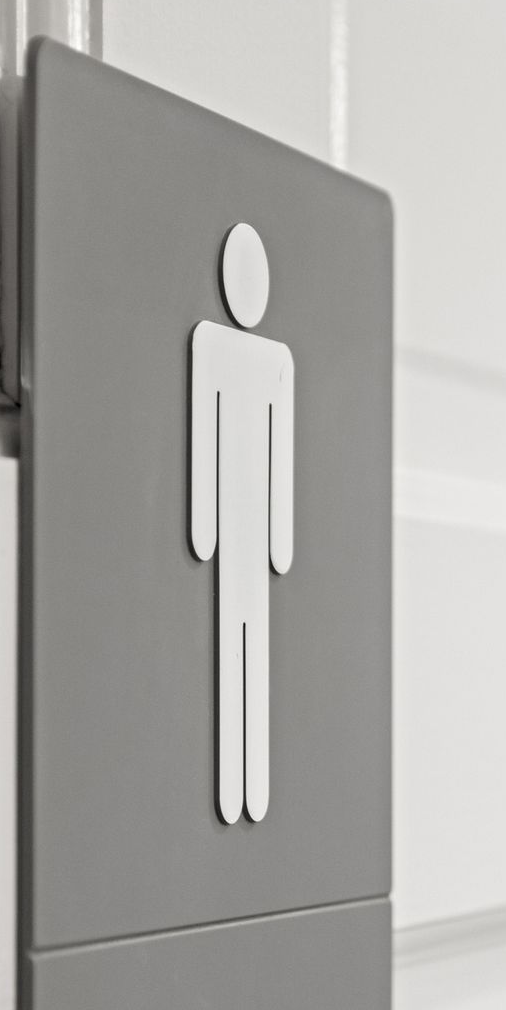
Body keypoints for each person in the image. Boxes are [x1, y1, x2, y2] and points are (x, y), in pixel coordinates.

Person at [189, 221, 294, 823]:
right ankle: (237, 787)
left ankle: (251, 788)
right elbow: (205, 436)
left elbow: (282, 447)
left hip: (249, 530)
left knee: (252, 641)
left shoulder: (270, 360)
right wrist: (205, 527)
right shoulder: (213, 349)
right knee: (237, 641)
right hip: (235, 526)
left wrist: (280, 539)